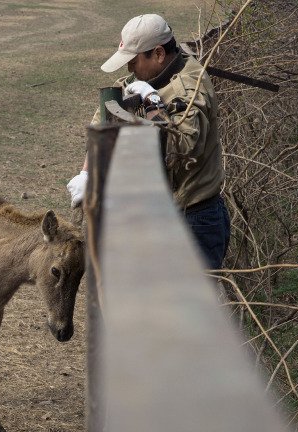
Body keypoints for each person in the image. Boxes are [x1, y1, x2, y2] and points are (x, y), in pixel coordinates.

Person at [66, 13, 230, 269]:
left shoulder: (189, 88)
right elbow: (103, 121)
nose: (129, 69)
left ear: (158, 54)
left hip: (192, 220)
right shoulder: (144, 79)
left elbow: (182, 147)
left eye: (133, 61)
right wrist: (86, 173)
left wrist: (154, 103)